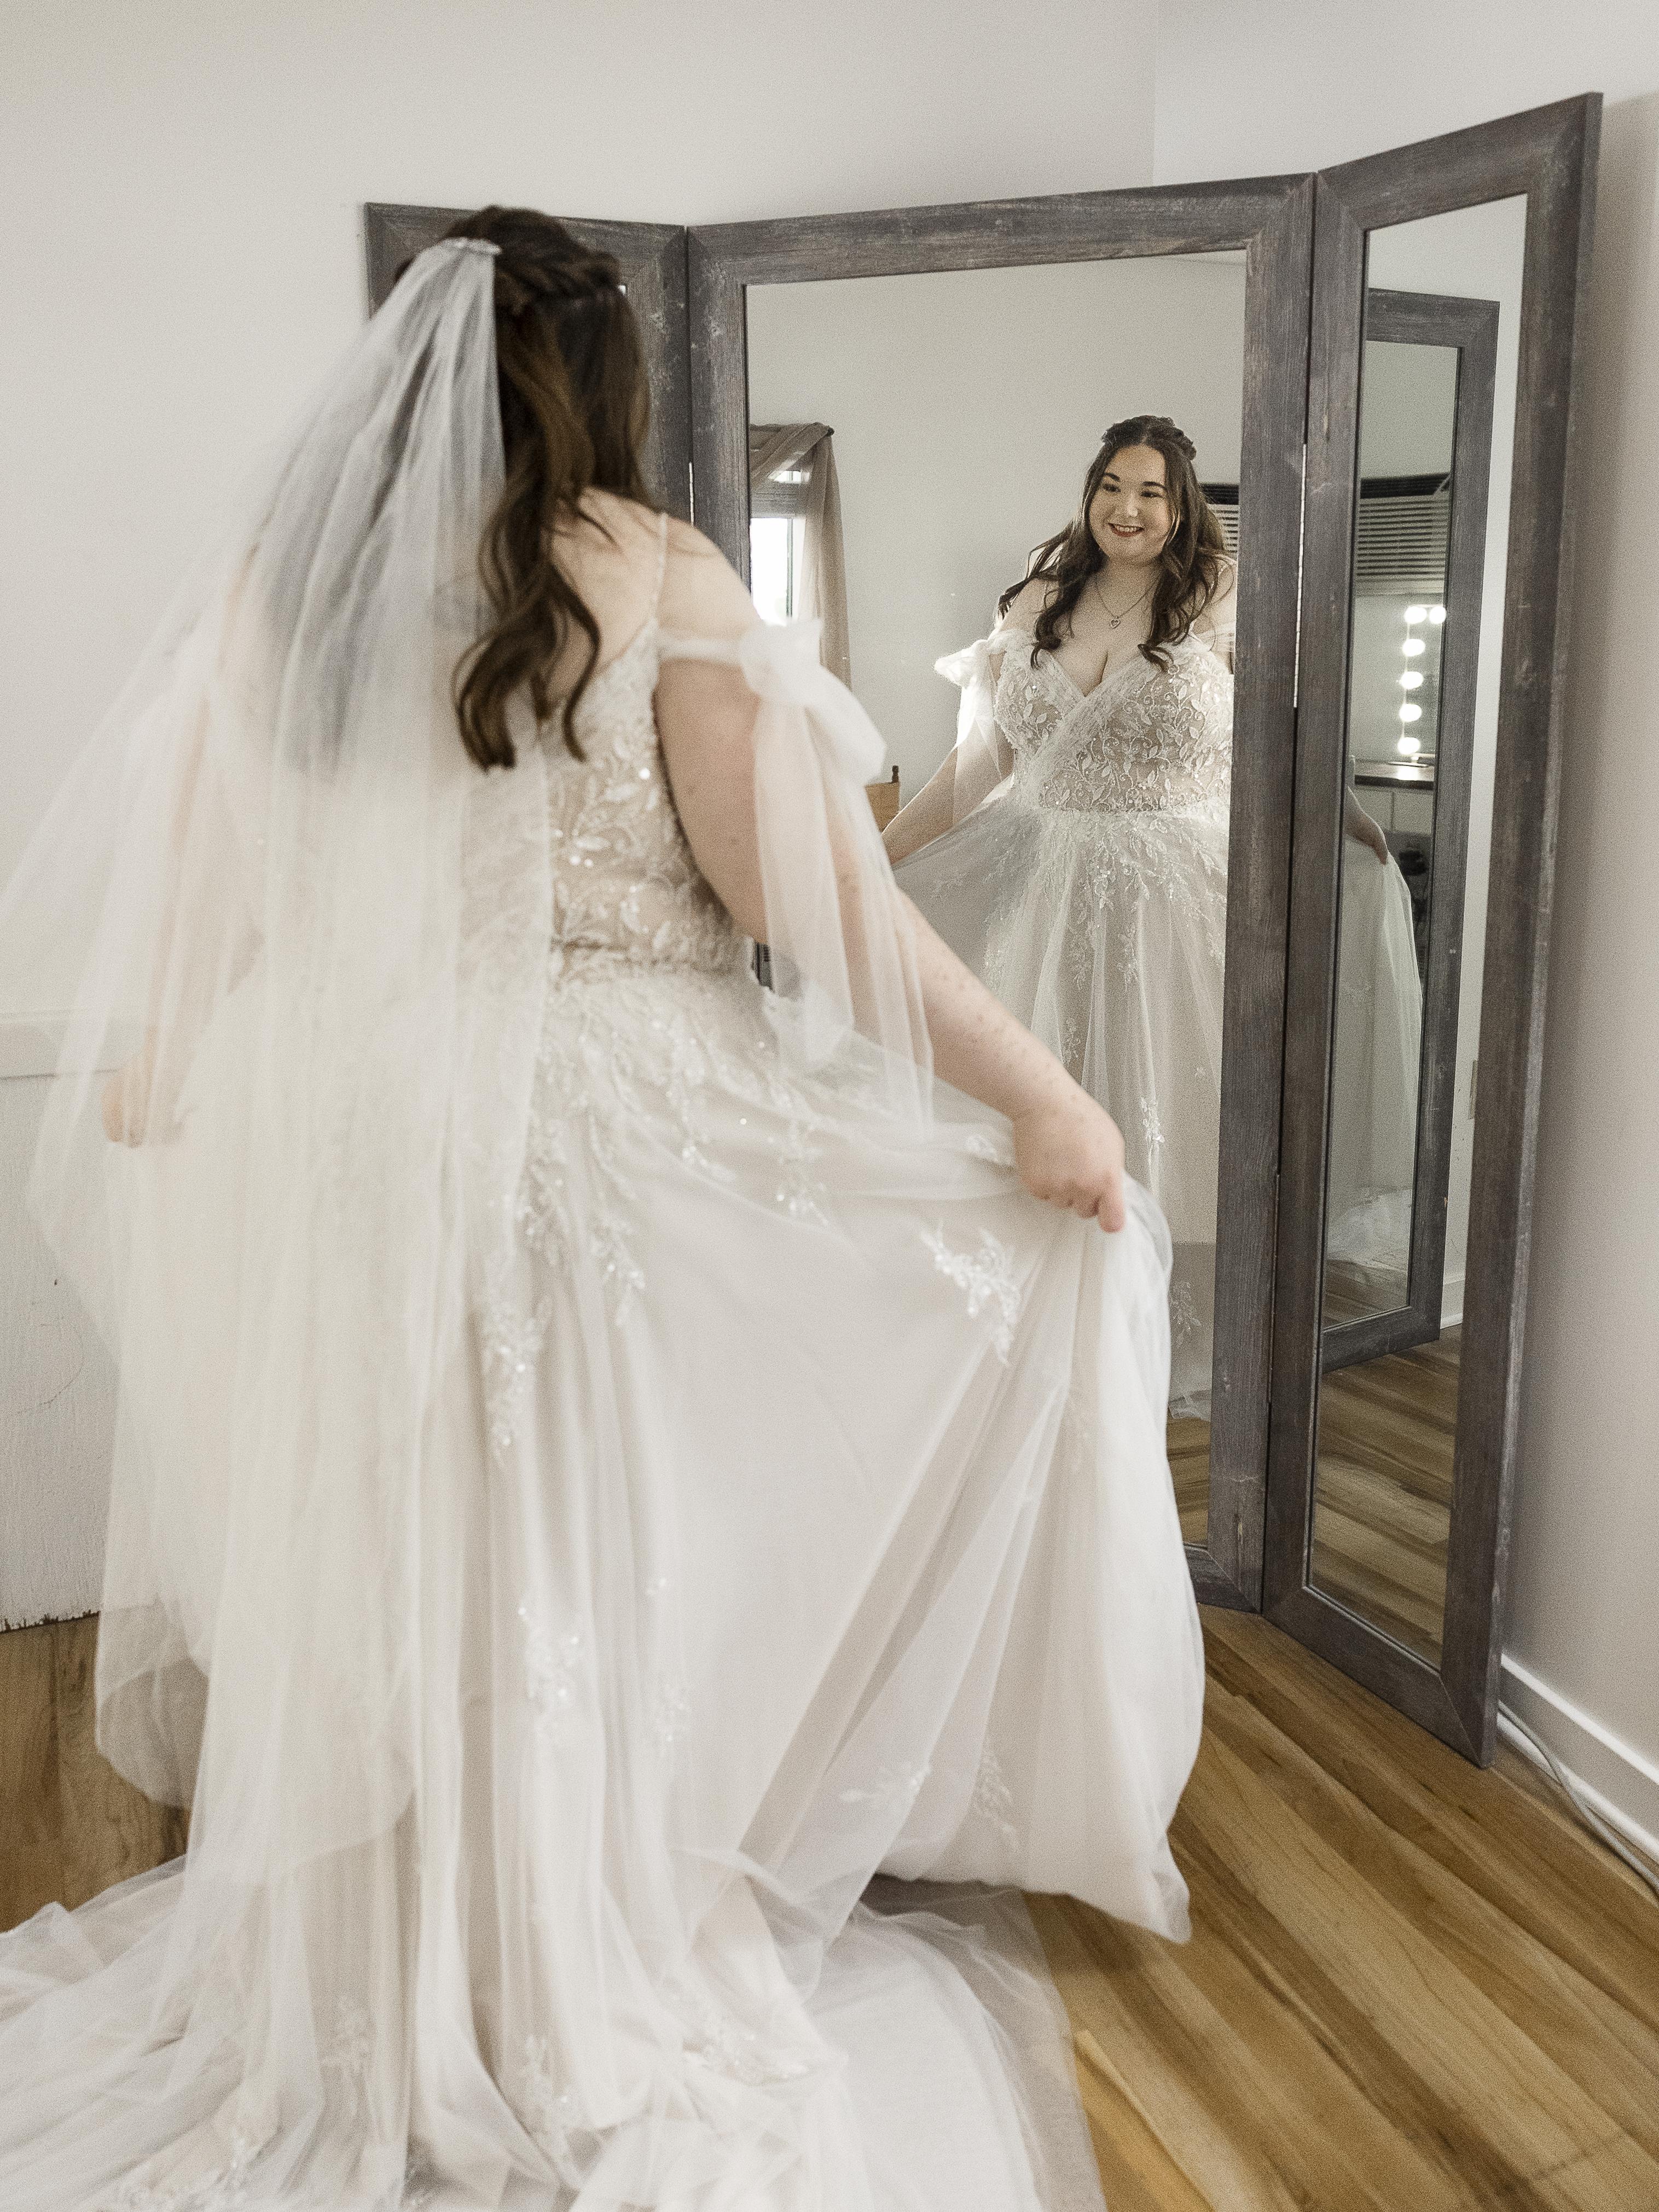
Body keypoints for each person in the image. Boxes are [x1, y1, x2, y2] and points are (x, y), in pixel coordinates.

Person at [0, 211, 1202, 2210]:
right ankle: (560, 1979)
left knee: (432, 1556)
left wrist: (165, 1054)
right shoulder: (652, 571)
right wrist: (1044, 1097)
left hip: (367, 1133)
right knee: (582, 1563)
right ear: (598, 378)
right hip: (597, 1141)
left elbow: (221, 876)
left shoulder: (293, 584)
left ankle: (406, 1979)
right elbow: (817, 907)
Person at [885, 419, 1393, 1413]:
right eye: (1111, 486)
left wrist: (1348, 817)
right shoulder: (1036, 598)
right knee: (1036, 1102)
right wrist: (875, 857)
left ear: (1182, 502)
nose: (1127, 508)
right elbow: (978, 765)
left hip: (1175, 899)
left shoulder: (1227, 593)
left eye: (1151, 491)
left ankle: (1155, 1323)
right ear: (1090, 493)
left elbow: (1283, 738)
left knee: (1174, 1111)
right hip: (1039, 888)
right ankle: (1042, 1318)